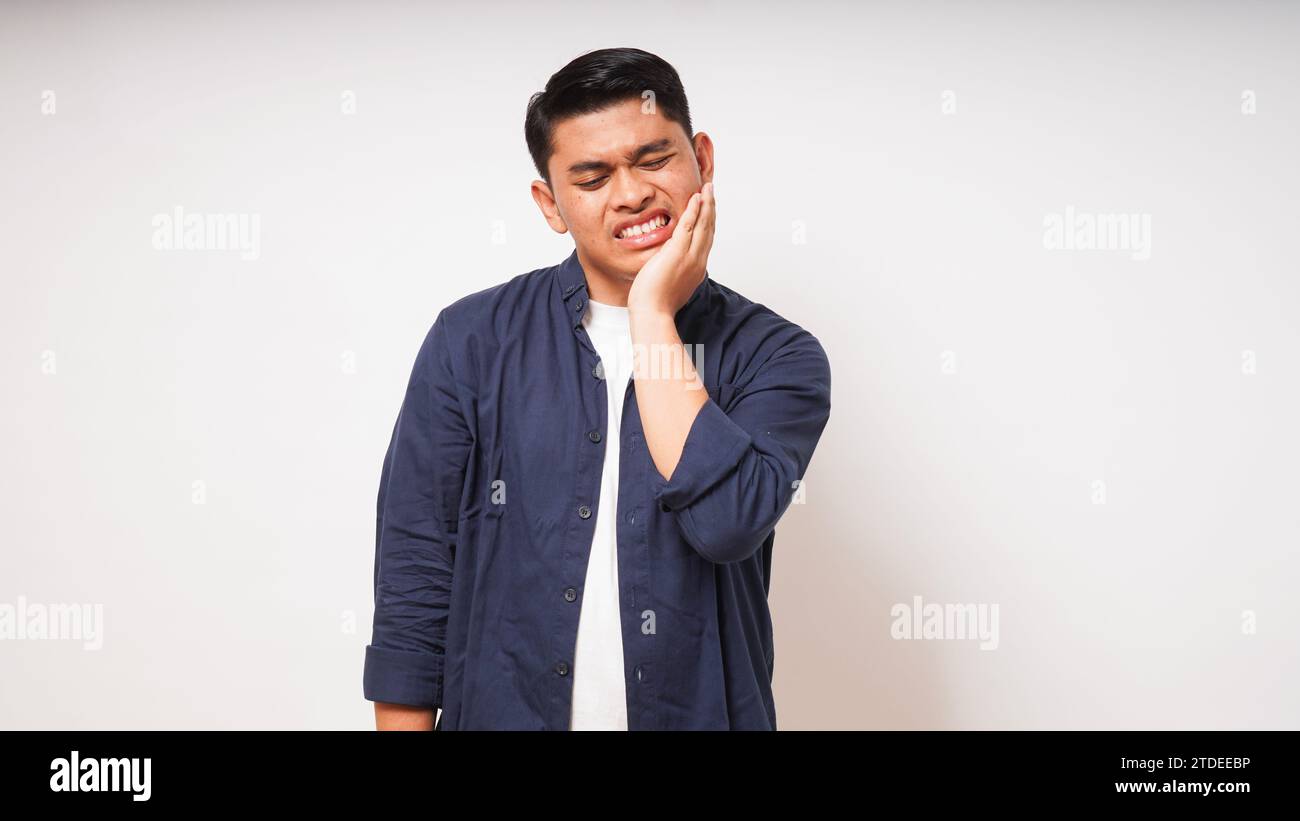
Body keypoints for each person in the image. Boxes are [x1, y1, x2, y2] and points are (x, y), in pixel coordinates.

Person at [363, 47, 831, 730]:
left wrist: (653, 313)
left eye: (653, 159)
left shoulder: (777, 355)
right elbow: (416, 574)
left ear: (701, 155)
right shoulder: (472, 341)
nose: (632, 193)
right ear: (550, 204)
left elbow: (726, 520)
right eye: (592, 176)